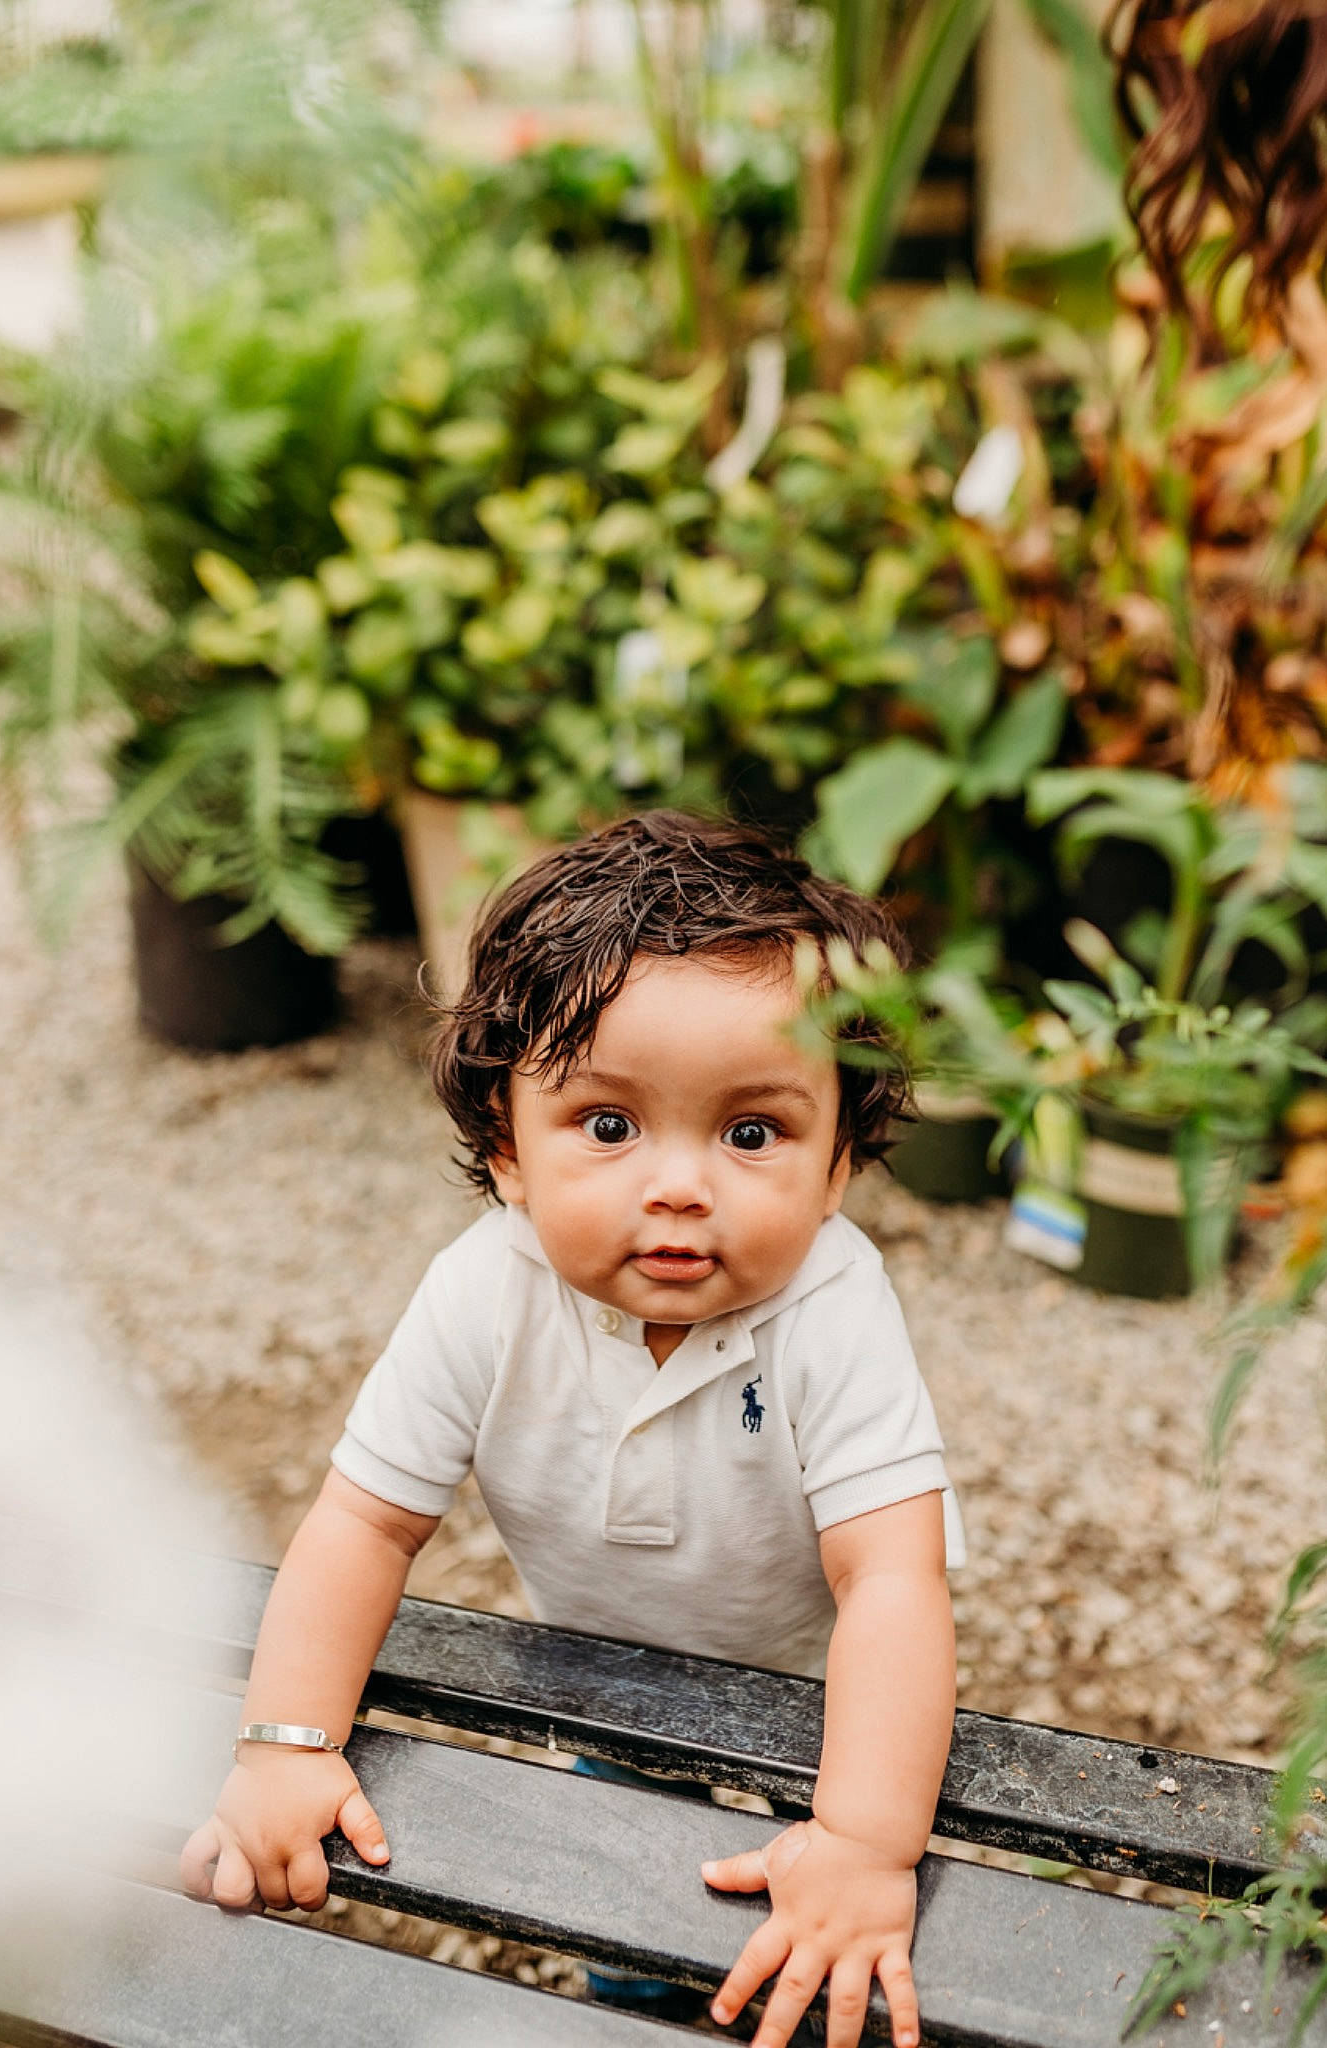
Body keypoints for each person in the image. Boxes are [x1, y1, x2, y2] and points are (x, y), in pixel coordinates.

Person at [181, 809, 964, 2048]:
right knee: (639, 1891)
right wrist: (284, 1743)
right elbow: (365, 1522)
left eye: (751, 1132)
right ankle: (644, 1997)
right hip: (600, 1669)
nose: (678, 1183)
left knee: (826, 1924)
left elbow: (891, 1578)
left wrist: (868, 1843)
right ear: (507, 1147)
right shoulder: (486, 1289)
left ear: (840, 1166)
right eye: (608, 1124)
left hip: (806, 1693)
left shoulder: (833, 1306)